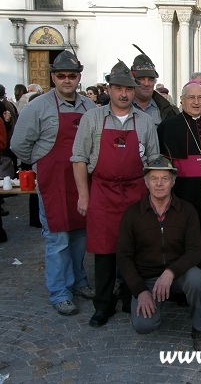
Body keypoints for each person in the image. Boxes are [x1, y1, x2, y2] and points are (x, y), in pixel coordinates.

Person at [72, 60, 160, 328]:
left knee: (135, 249)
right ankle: (103, 304)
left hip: (135, 192)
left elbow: (154, 160)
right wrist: (83, 196)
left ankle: (128, 295)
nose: (124, 94)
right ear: (109, 89)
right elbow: (78, 159)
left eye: (129, 89)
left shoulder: (145, 122)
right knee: (104, 251)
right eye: (119, 88)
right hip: (102, 192)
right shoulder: (93, 119)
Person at [11, 51, 95, 315]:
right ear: (53, 77)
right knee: (57, 239)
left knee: (80, 236)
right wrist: (40, 162)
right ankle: (59, 291)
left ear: (79, 77)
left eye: (72, 75)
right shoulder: (38, 107)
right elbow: (19, 146)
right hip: (54, 184)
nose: (67, 80)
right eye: (61, 76)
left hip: (82, 183)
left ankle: (79, 280)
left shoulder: (89, 107)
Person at [116, 156, 201, 351]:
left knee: (197, 279)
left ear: (173, 181)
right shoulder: (132, 214)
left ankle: (199, 328)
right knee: (144, 327)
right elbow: (124, 258)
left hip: (178, 274)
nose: (159, 183)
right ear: (146, 182)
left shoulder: (187, 211)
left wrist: (170, 273)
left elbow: (195, 251)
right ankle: (150, 299)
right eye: (154, 178)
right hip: (147, 278)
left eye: (165, 178)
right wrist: (140, 290)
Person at [157, 81, 201, 229]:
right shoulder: (168, 127)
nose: (196, 102)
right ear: (182, 100)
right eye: (191, 97)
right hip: (182, 192)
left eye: (200, 98)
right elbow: (163, 165)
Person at [131, 46, 179, 126]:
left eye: (151, 79)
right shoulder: (121, 107)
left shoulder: (168, 110)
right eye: (141, 79)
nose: (146, 84)